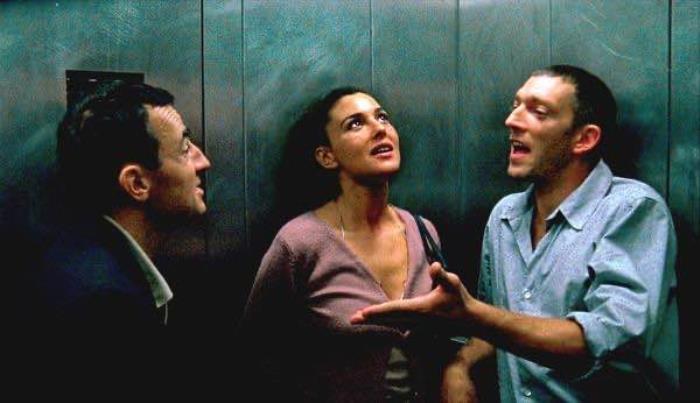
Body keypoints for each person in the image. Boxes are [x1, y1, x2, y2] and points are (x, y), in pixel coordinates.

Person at [352, 65, 679, 402]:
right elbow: (496, 325)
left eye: (538, 112)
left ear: (584, 139)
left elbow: (609, 340)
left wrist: (472, 315)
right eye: (515, 106)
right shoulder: (505, 217)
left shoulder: (631, 209)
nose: (512, 120)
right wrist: (460, 364)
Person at [241, 87, 459, 402]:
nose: (379, 129)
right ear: (327, 156)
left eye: (382, 117)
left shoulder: (424, 232)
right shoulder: (300, 243)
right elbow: (254, 352)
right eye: (355, 124)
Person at [14, 81, 211, 399]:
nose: (203, 162)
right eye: (185, 148)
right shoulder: (106, 308)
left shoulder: (75, 262)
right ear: (137, 183)